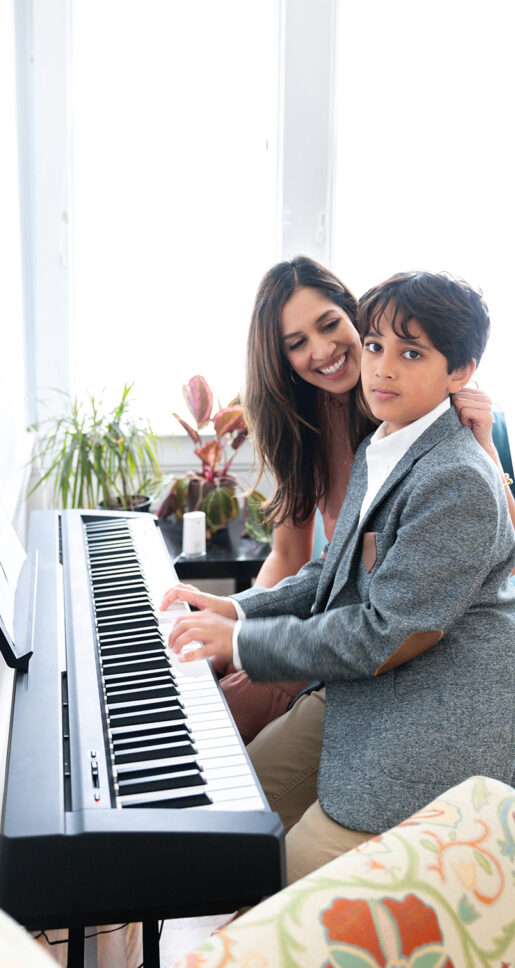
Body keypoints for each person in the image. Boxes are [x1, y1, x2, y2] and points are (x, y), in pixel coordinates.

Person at [163, 269, 515, 884]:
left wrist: (244, 644)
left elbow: (386, 635)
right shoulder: (387, 440)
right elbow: (330, 566)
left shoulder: (455, 473)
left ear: (460, 372)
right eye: (376, 347)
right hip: (364, 685)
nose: (380, 368)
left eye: (410, 354)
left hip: (426, 719)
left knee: (285, 889)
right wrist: (236, 611)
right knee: (236, 814)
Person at [216, 257, 515, 743]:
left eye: (330, 325)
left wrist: (483, 446)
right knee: (214, 683)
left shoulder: (434, 415)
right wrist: (237, 617)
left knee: (230, 718)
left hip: (386, 630)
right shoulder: (306, 423)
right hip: (334, 615)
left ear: (354, 317)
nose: (322, 350)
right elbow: (294, 557)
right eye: (296, 343)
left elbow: (498, 554)